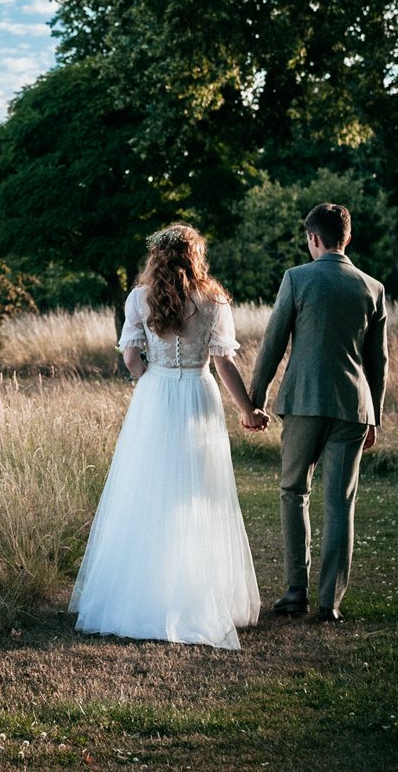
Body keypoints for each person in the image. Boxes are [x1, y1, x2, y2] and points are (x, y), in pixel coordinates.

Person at [69, 223, 262, 649]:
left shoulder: (140, 298)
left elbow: (131, 356)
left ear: (156, 257)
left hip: (155, 396)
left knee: (149, 490)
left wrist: (149, 380)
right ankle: (197, 593)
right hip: (198, 393)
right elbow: (224, 363)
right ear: (195, 256)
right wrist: (247, 409)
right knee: (198, 490)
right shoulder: (214, 301)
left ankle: (145, 595)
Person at [249, 202, 389, 625]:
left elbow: (273, 345)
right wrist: (375, 416)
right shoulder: (372, 288)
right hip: (353, 408)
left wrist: (255, 400)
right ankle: (329, 603)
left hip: (304, 403)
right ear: (347, 238)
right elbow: (378, 362)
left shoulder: (296, 279)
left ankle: (296, 591)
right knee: (340, 504)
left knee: (295, 492)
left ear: (313, 238)